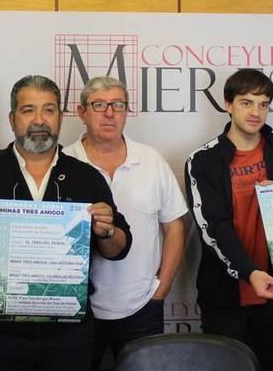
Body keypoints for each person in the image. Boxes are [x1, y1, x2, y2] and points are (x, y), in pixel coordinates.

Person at [0, 75, 132, 371]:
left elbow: (118, 249)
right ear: (12, 118)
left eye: (49, 110)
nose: (39, 120)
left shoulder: (87, 177)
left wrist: (106, 230)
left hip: (70, 334)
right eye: (29, 110)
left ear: (60, 117)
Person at [184, 68, 273, 371]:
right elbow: (213, 228)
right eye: (247, 102)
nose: (256, 111)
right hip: (225, 295)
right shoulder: (203, 160)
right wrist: (250, 273)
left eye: (263, 103)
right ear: (228, 104)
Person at [63, 77, 188, 369]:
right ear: (82, 113)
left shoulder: (151, 159)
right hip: (76, 309)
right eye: (99, 105)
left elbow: (174, 226)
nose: (110, 113)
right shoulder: (63, 162)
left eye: (118, 105)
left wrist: (162, 288)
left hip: (143, 305)